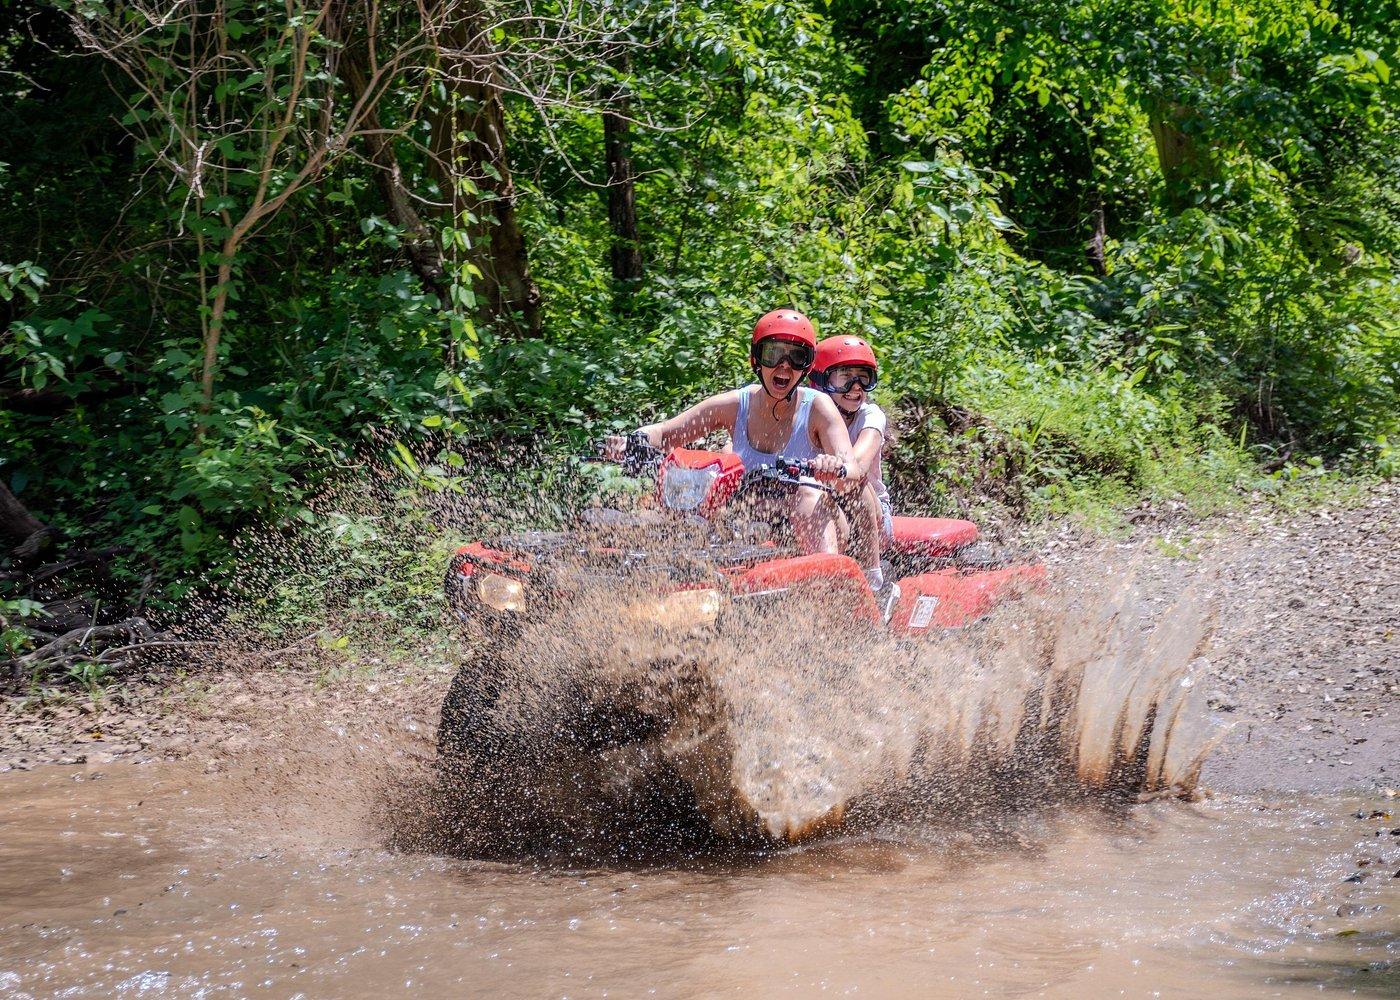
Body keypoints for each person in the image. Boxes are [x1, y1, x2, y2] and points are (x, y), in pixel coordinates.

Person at [607, 309, 857, 556]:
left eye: (796, 356)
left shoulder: (818, 407)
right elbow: (665, 433)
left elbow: (852, 469)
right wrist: (633, 441)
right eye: (773, 354)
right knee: (680, 509)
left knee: (807, 495)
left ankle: (826, 576)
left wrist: (834, 466)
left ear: (807, 365)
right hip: (748, 521)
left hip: (813, 518)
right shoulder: (735, 405)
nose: (784, 365)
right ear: (756, 359)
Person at [808, 335, 891, 592]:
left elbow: (858, 466)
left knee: (855, 484)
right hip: (820, 501)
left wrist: (833, 466)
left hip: (871, 512)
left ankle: (874, 581)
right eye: (845, 378)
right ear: (821, 381)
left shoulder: (871, 417)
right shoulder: (805, 412)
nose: (856, 387)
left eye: (863, 378)